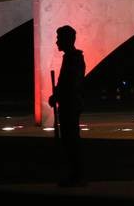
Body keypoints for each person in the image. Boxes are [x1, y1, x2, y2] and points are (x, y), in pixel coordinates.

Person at [48, 25, 85, 186]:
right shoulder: (70, 57)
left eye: (59, 38)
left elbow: (70, 83)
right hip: (68, 103)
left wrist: (57, 94)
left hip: (70, 104)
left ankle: (76, 176)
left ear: (67, 40)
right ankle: (74, 175)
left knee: (71, 141)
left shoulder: (74, 58)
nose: (57, 42)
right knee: (69, 141)